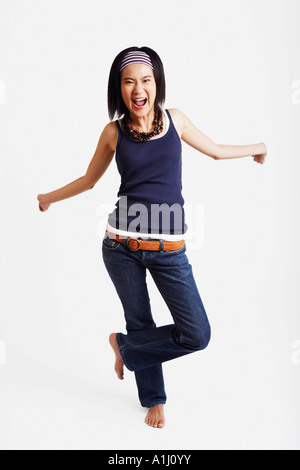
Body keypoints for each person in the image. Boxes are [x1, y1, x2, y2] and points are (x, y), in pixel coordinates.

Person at [37, 46, 268, 429]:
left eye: (145, 80)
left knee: (197, 334)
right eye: (129, 81)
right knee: (140, 321)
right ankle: (153, 398)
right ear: (119, 89)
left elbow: (216, 151)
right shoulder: (113, 132)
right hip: (119, 247)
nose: (138, 88)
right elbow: (89, 180)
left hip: (168, 251)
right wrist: (48, 198)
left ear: (157, 84)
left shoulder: (175, 120)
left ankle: (123, 348)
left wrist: (257, 149)